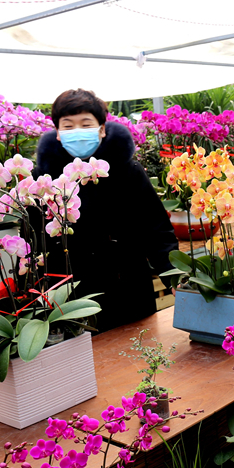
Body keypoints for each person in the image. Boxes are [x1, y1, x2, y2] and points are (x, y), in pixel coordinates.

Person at [34, 89, 178, 332]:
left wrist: (173, 275)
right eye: (68, 126)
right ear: (57, 133)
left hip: (128, 289)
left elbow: (156, 229)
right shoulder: (42, 181)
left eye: (86, 124)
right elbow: (34, 243)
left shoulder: (128, 172)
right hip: (70, 298)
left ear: (102, 128)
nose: (77, 132)